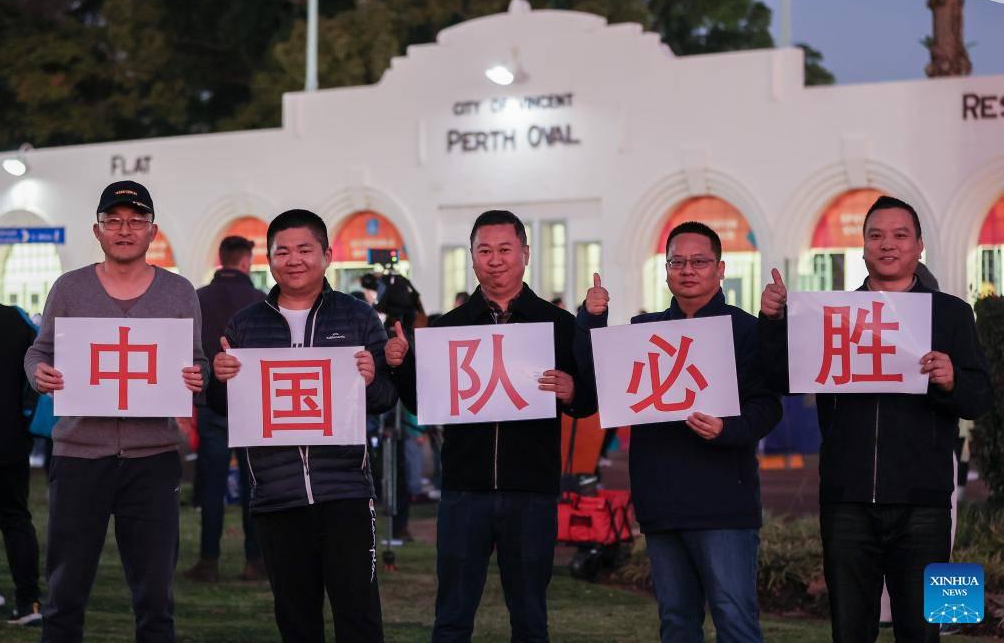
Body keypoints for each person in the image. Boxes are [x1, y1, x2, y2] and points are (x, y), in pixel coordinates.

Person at [759, 195, 992, 642]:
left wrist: (950, 381)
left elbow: (980, 398)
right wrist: (772, 322)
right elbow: (779, 378)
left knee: (923, 630)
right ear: (863, 245)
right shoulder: (830, 316)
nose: (888, 245)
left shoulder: (952, 313)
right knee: (850, 630)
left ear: (919, 246)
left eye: (900, 235)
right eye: (876, 235)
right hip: (847, 500)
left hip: (925, 502)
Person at [385, 209, 595, 643]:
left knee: (531, 617)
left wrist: (573, 391)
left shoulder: (557, 325)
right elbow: (424, 402)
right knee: (453, 616)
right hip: (465, 490)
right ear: (472, 257)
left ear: (525, 254)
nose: (495, 259)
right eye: (485, 250)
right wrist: (403, 366)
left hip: (531, 491)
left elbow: (590, 401)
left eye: (504, 249)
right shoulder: (448, 328)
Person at [575, 221, 782, 642]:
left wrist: (728, 429)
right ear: (666, 269)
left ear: (720, 269)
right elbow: (597, 380)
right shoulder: (643, 330)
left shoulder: (745, 330)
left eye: (700, 261)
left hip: (725, 503)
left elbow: (769, 407)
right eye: (677, 261)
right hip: (661, 502)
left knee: (736, 620)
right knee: (675, 622)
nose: (688, 270)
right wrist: (592, 320)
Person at [23, 180, 207, 643]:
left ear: (152, 231)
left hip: (154, 457)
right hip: (79, 455)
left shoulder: (180, 292)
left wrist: (197, 377)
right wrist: (38, 372)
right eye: (114, 221)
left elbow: (197, 359)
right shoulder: (69, 288)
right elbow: (38, 351)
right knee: (65, 593)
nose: (125, 230)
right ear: (98, 230)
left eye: (136, 221)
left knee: (155, 598)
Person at [214, 209, 396, 643]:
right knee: (296, 621)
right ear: (270, 259)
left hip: (346, 493)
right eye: (282, 251)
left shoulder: (357, 318)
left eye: (304, 250)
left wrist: (372, 378)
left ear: (327, 255)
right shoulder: (245, 323)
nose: (293, 260)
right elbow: (226, 408)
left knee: (359, 618)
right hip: (277, 497)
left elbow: (385, 399)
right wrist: (220, 380)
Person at [185, 236, 267, 583]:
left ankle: (208, 560)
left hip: (209, 403)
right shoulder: (262, 301)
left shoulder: (198, 299)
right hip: (252, 405)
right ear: (246, 261)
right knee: (254, 484)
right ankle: (255, 561)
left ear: (220, 259)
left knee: (212, 485)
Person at [0, 251, 43, 629]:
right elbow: (36, 381)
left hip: (6, 439)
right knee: (16, 520)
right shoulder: (18, 321)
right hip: (8, 441)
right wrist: (23, 422)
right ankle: (30, 603)